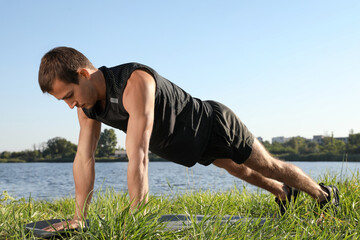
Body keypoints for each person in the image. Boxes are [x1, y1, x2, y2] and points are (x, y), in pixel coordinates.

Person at [38, 47, 339, 231]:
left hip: (214, 124)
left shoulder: (133, 82)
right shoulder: (87, 106)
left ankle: (324, 193)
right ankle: (284, 193)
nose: (70, 105)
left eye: (69, 95)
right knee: (238, 169)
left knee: (267, 165)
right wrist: (79, 217)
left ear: (84, 74)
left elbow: (138, 155)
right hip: (190, 144)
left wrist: (135, 219)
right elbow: (84, 158)